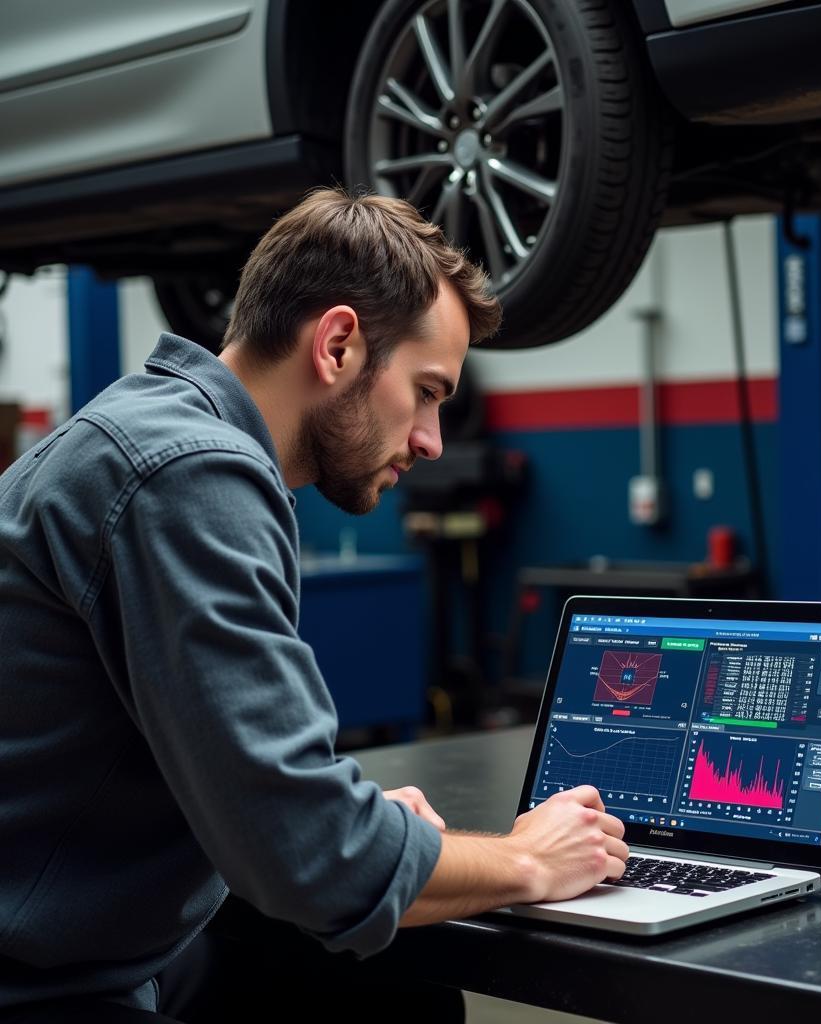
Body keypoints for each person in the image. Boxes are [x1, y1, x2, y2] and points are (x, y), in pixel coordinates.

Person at [0, 188, 628, 1021]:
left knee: (389, 987)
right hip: (43, 989)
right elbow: (313, 858)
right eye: (429, 391)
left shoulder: (155, 433)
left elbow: (258, 793)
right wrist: (526, 860)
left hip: (83, 944)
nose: (434, 440)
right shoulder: (187, 474)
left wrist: (346, 820)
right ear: (337, 345)